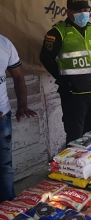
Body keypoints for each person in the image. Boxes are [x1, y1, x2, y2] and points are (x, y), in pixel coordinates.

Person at [40, 0, 91, 145]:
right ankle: (74, 166)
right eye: (78, 10)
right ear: (68, 12)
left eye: (86, 9)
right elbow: (45, 58)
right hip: (74, 92)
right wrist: (62, 78)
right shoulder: (57, 32)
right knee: (75, 134)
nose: (83, 13)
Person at [0, 34, 37, 202]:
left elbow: (18, 76)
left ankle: (8, 207)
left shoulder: (5, 43)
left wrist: (22, 103)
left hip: (2, 114)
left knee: (5, 166)